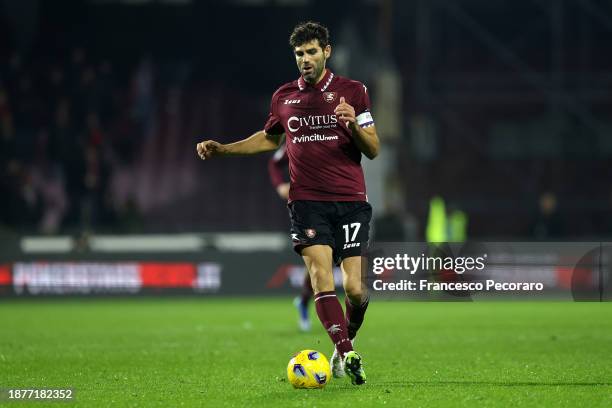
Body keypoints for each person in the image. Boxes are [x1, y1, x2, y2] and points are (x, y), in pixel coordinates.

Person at [196, 21, 379, 385]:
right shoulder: (283, 97)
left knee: (356, 290)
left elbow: (372, 149)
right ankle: (347, 353)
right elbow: (268, 139)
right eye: (299, 54)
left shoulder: (353, 92)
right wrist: (224, 149)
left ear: (327, 51)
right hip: (307, 202)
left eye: (312, 52)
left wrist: (353, 126)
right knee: (320, 277)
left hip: (351, 200)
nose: (305, 59)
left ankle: (348, 338)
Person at [268, 143, 314, 332]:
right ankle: (306, 304)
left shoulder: (335, 132)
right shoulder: (301, 137)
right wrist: (280, 185)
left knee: (321, 263)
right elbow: (274, 162)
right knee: (317, 259)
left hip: (336, 202)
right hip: (308, 206)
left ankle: (304, 300)